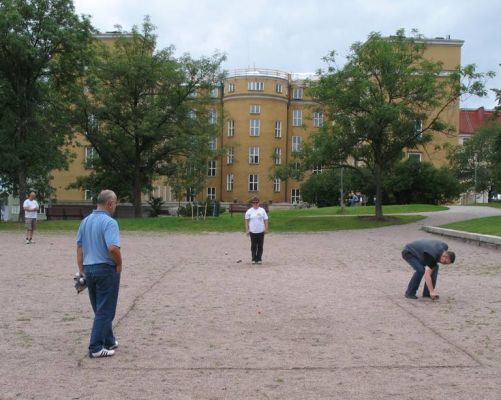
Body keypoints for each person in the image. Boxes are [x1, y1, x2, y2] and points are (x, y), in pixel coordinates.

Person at [76, 190, 122, 358]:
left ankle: (109, 340)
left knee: (99, 307)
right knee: (106, 309)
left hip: (89, 268)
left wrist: (81, 269)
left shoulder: (85, 221)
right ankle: (95, 347)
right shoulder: (110, 222)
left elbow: (80, 247)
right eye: (115, 203)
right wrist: (119, 264)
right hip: (105, 268)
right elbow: (112, 248)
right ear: (110, 203)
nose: (115, 206)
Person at [245, 197, 269, 265]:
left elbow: (266, 219)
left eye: (256, 202)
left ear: (259, 203)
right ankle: (253, 258)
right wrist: (247, 230)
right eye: (254, 203)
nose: (255, 204)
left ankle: (259, 259)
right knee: (253, 246)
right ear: (252, 203)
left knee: (260, 246)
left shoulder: (262, 210)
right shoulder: (249, 211)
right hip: (252, 231)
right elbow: (246, 221)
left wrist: (266, 228)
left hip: (261, 231)